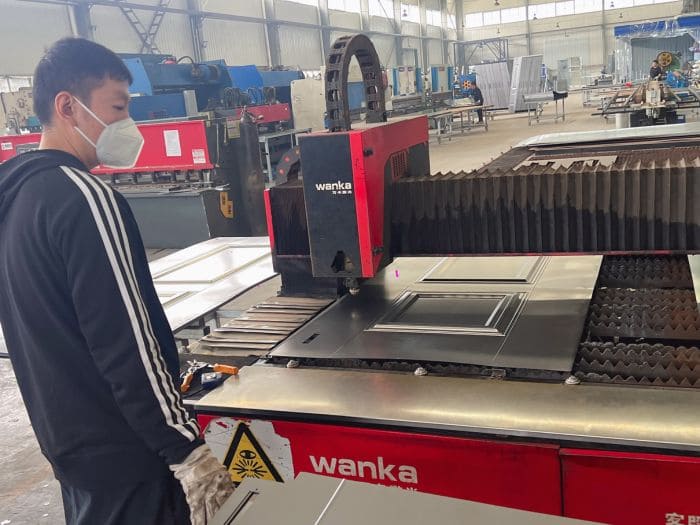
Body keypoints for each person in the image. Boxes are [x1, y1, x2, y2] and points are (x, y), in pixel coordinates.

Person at [0, 38, 234, 525]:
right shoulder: (84, 199)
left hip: (71, 451)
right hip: (127, 454)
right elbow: (127, 343)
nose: (129, 124)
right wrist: (184, 447)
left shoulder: (17, 200)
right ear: (68, 107)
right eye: (118, 107)